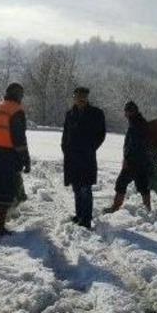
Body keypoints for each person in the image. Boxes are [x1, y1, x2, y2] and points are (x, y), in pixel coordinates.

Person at [0, 82, 30, 236]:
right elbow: (19, 139)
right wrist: (25, 159)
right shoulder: (16, 110)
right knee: (7, 191)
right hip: (9, 157)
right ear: (19, 95)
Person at [61, 87, 106, 229]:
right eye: (78, 96)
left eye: (83, 97)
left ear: (87, 98)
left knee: (85, 188)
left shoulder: (96, 113)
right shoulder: (70, 114)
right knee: (76, 187)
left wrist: (91, 147)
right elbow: (65, 134)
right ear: (74, 97)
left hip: (87, 157)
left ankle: (86, 219)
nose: (80, 99)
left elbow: (101, 134)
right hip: (72, 157)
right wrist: (65, 148)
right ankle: (79, 215)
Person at [104, 101, 152, 213]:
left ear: (132, 112)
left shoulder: (136, 124)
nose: (125, 114)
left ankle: (115, 207)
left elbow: (134, 145)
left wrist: (127, 159)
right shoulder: (139, 122)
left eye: (127, 111)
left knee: (121, 183)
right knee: (143, 185)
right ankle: (148, 208)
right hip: (142, 160)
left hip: (134, 161)